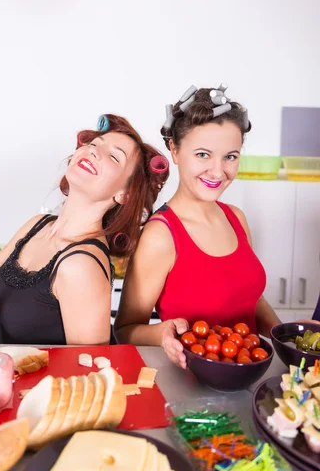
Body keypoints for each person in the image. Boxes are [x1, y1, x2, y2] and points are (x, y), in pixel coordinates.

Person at [0, 114, 168, 347]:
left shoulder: (81, 265)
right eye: (94, 143)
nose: (94, 150)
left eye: (114, 157)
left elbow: (87, 373)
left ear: (124, 194)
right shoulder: (38, 225)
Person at [115, 86, 281, 368]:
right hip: (190, 385)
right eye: (203, 155)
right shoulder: (161, 235)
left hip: (251, 378)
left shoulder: (236, 218)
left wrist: (285, 337)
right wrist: (161, 334)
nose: (218, 172)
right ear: (175, 150)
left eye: (230, 156)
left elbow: (252, 299)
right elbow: (125, 329)